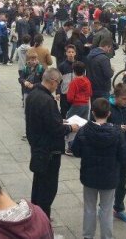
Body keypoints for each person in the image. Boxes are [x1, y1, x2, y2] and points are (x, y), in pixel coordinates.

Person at [72, 98, 126, 239]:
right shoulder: (117, 133)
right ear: (109, 114)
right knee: (106, 209)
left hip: (89, 176)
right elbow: (125, 156)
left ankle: (88, 236)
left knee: (89, 208)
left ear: (93, 113)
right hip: (109, 177)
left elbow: (75, 151)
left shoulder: (84, 130)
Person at [25, 68, 79, 219]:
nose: (59, 86)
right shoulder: (47, 100)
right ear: (53, 81)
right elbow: (55, 129)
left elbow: (43, 121)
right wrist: (69, 127)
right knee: (48, 189)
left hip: (37, 146)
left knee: (38, 185)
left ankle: (36, 215)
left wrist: (59, 120)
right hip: (49, 151)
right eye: (59, 83)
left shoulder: (33, 95)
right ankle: (43, 220)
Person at [108, 84, 126, 224]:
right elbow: (100, 126)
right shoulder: (107, 107)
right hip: (112, 151)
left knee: (122, 180)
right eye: (124, 99)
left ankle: (119, 208)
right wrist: (117, 128)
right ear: (116, 97)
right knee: (110, 180)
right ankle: (104, 207)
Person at [86, 37, 114, 101]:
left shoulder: (89, 55)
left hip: (92, 86)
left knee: (94, 107)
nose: (109, 50)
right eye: (109, 48)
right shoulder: (104, 58)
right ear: (107, 46)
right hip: (102, 88)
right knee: (103, 108)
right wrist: (112, 70)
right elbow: (108, 74)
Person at [57, 44, 77, 119]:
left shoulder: (78, 65)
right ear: (66, 53)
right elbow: (58, 80)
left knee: (74, 113)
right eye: (69, 52)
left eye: (72, 52)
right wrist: (58, 92)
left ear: (75, 53)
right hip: (64, 93)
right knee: (64, 113)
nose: (71, 54)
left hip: (75, 94)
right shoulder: (62, 66)